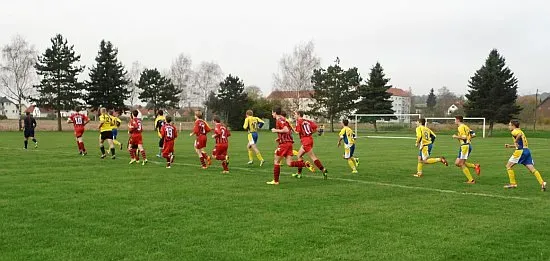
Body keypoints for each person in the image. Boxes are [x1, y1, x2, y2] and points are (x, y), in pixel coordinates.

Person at [267, 106, 313, 185]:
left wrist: (275, 130)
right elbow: (288, 131)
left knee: (276, 161)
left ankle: (276, 181)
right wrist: (280, 138)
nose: (272, 114)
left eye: (272, 112)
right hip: (289, 143)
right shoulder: (284, 119)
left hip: (284, 144)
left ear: (274, 112)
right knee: (289, 163)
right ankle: (304, 164)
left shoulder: (279, 120)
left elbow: (286, 130)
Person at [503, 120, 546, 191]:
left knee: (508, 166)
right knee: (532, 169)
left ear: (513, 126)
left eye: (509, 125)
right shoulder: (521, 131)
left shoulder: (514, 131)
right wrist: (510, 146)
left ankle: (513, 184)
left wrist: (516, 141)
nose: (509, 127)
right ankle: (542, 183)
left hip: (520, 152)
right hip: (527, 151)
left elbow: (519, 135)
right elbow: (520, 144)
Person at [292, 111, 326, 179]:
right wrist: (309, 133)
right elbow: (315, 128)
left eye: (295, 114)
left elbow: (297, 132)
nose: (294, 116)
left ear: (299, 115)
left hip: (306, 141)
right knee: (299, 155)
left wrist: (291, 127)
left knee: (313, 157)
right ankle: (299, 174)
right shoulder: (307, 121)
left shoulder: (299, 121)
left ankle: (323, 169)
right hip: (309, 139)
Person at [452, 116, 481, 184]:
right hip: (465, 146)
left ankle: (471, 180)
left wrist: (456, 136)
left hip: (465, 146)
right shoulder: (465, 126)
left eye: (455, 120)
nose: (454, 121)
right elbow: (473, 134)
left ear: (458, 120)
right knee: (457, 163)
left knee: (461, 164)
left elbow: (464, 137)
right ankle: (475, 166)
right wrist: (469, 138)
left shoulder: (461, 127)